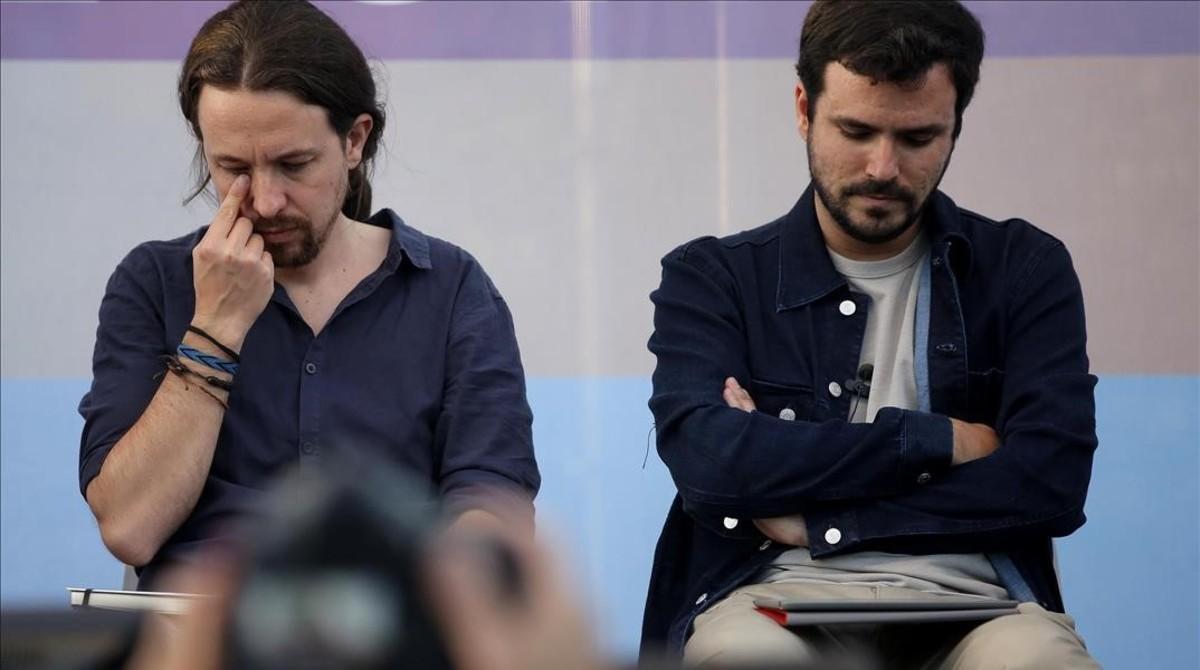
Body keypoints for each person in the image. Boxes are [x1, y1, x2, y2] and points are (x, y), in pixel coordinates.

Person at [642, 1, 1099, 666]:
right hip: (772, 599)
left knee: (1036, 663)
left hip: (982, 607)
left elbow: (1050, 481)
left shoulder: (1024, 269)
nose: (883, 167)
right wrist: (937, 439)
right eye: (856, 131)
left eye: (916, 138)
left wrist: (822, 519)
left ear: (955, 127)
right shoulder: (713, 278)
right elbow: (712, 464)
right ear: (804, 108)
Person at [78, 0, 539, 590]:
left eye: (294, 164)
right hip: (202, 631)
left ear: (355, 140)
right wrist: (216, 327)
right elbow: (131, 527)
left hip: (396, 629)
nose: (265, 202)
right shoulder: (153, 283)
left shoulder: (449, 289)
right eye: (232, 168)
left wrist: (423, 614)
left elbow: (494, 514)